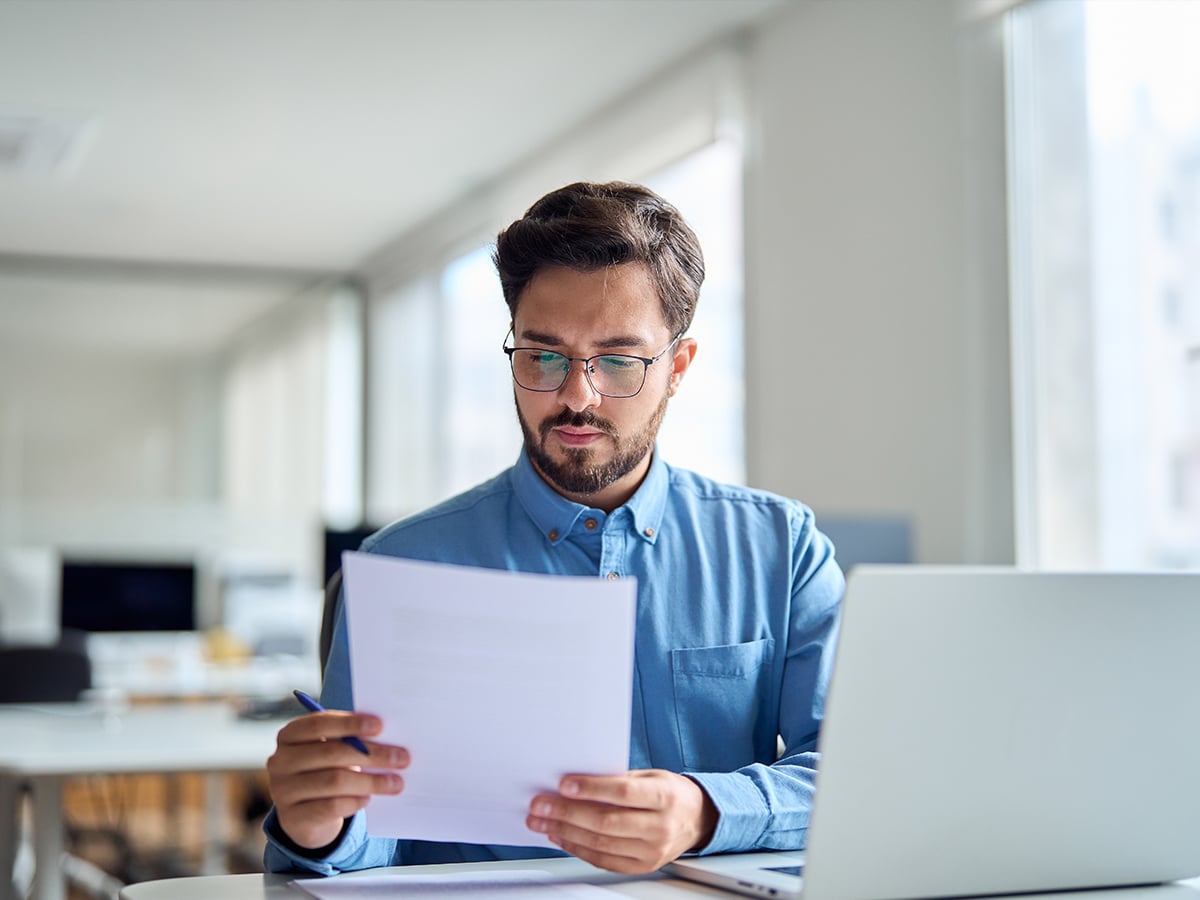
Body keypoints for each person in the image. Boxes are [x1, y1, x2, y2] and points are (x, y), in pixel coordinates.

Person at [263, 181, 844, 877]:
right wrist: (320, 825)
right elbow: (376, 828)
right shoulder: (404, 567)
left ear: (678, 368)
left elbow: (853, 772)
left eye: (620, 361)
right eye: (543, 355)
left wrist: (705, 810)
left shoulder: (782, 548)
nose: (576, 395)